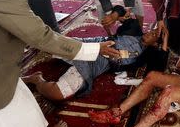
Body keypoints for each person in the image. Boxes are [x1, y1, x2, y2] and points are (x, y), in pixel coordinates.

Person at [23, 6, 170, 101]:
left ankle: (37, 79)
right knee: (49, 44)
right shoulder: (134, 29)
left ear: (155, 44)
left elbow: (159, 67)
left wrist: (165, 40)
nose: (150, 32)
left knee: (56, 94)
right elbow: (121, 11)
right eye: (152, 30)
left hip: (98, 63)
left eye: (154, 35)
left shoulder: (145, 55)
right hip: (95, 43)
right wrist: (115, 15)